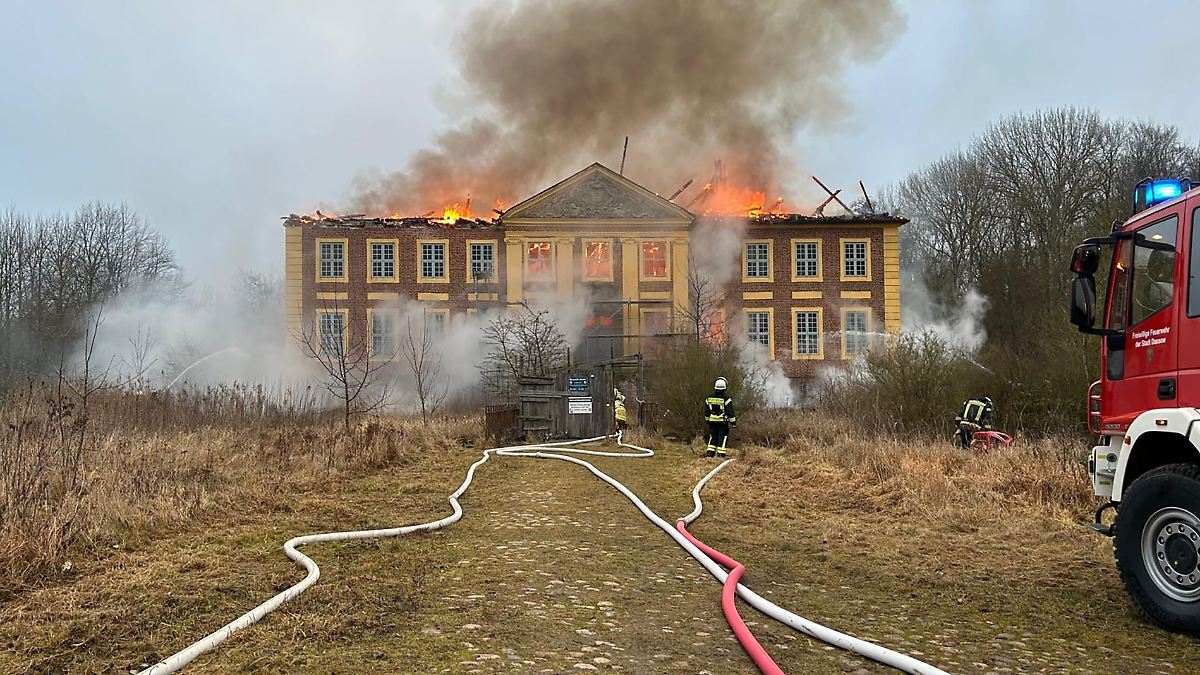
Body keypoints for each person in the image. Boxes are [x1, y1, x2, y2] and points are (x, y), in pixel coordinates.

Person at [703, 377, 736, 458]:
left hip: (712, 421)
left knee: (713, 436)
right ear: (725, 388)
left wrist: (707, 420)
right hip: (722, 422)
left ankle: (710, 452)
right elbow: (730, 412)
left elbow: (706, 411)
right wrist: (733, 422)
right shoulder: (726, 399)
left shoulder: (709, 398)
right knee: (723, 436)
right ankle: (720, 454)